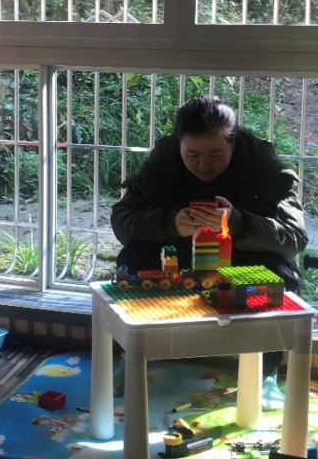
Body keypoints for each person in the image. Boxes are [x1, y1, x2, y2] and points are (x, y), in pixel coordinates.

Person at [110, 95, 308, 409]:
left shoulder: (262, 163)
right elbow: (122, 220)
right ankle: (132, 355)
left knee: (280, 275)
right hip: (179, 254)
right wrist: (170, 222)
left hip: (245, 257)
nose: (204, 164)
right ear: (179, 145)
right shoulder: (164, 160)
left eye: (216, 154)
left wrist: (239, 223)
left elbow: (295, 237)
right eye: (192, 154)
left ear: (234, 143)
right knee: (133, 258)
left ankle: (266, 370)